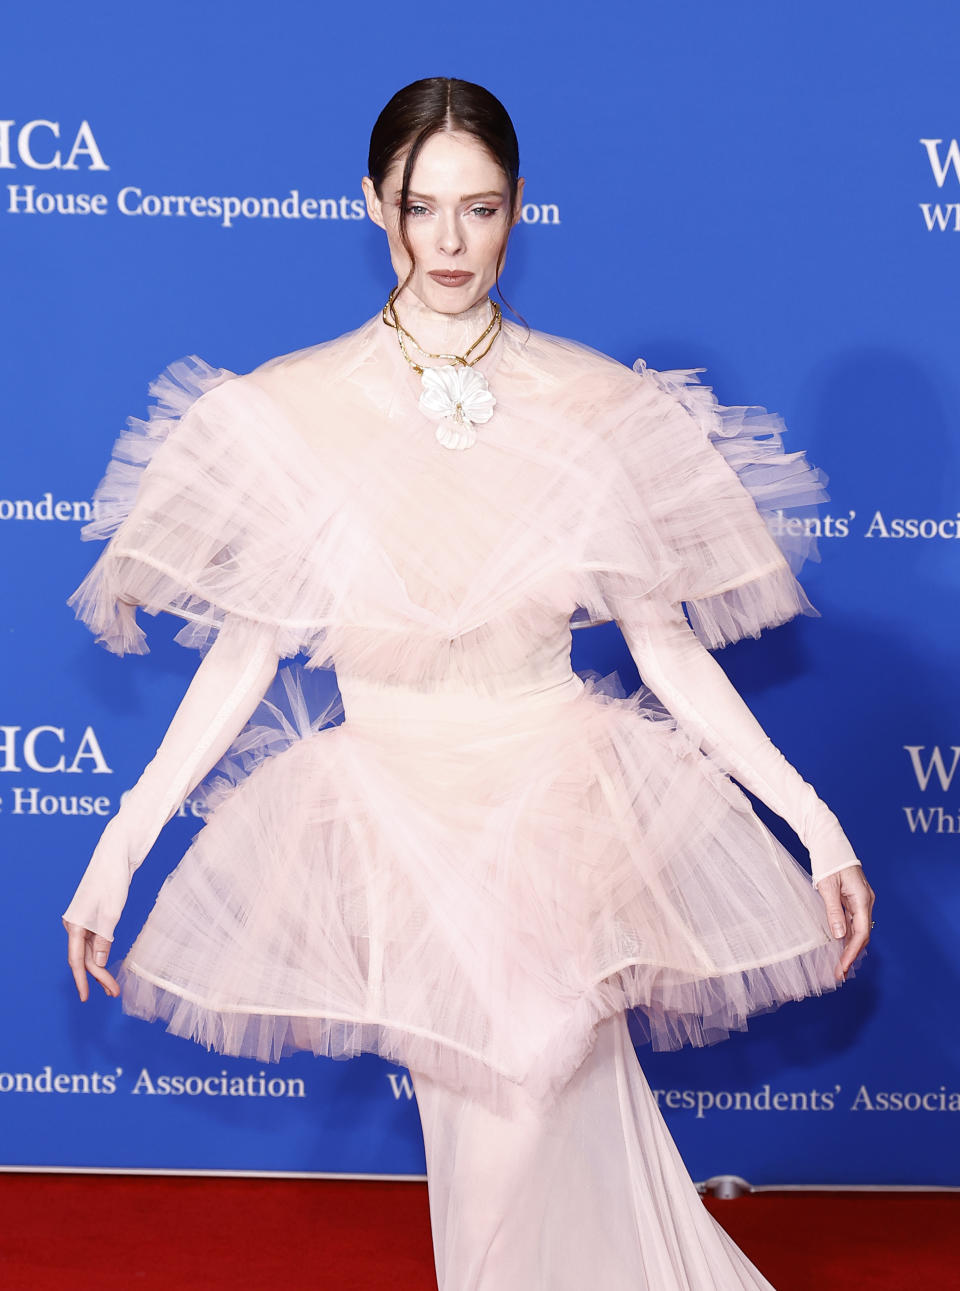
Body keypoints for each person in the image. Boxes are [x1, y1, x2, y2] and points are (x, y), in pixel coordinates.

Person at [63, 77, 875, 1290]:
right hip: (396, 812)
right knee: (482, 1137)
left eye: (480, 208)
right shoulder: (288, 410)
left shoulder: (597, 401)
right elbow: (245, 655)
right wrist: (117, 850)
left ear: (518, 210)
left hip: (553, 797)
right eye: (422, 207)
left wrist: (816, 826)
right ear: (373, 206)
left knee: (534, 1112)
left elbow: (666, 649)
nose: (450, 242)